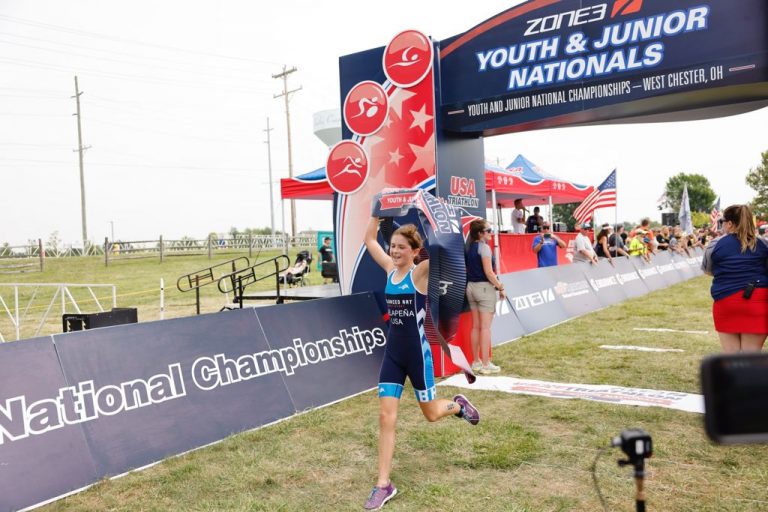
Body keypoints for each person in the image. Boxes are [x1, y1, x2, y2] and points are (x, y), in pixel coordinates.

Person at [363, 216, 480, 510]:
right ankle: (383, 484)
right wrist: (376, 215)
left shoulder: (421, 274)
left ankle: (457, 405)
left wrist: (430, 214)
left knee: (430, 414)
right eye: (393, 246)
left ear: (415, 252)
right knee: (386, 417)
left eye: (402, 247)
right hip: (392, 356)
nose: (395, 252)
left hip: (418, 357)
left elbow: (443, 247)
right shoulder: (390, 270)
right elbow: (369, 241)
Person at [702, 204, 768, 353]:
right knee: (752, 355)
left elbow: (708, 270)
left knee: (731, 355)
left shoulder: (715, 244)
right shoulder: (764, 244)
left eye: (722, 222)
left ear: (730, 223)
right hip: (758, 301)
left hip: (726, 300)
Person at [465, 220, 506, 375]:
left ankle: (476, 361)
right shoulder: (485, 248)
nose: (491, 232)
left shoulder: (469, 247)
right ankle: (486, 364)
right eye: (488, 230)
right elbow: (489, 273)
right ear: (480, 233)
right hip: (483, 288)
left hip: (471, 288)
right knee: (485, 328)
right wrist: (501, 287)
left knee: (476, 326)